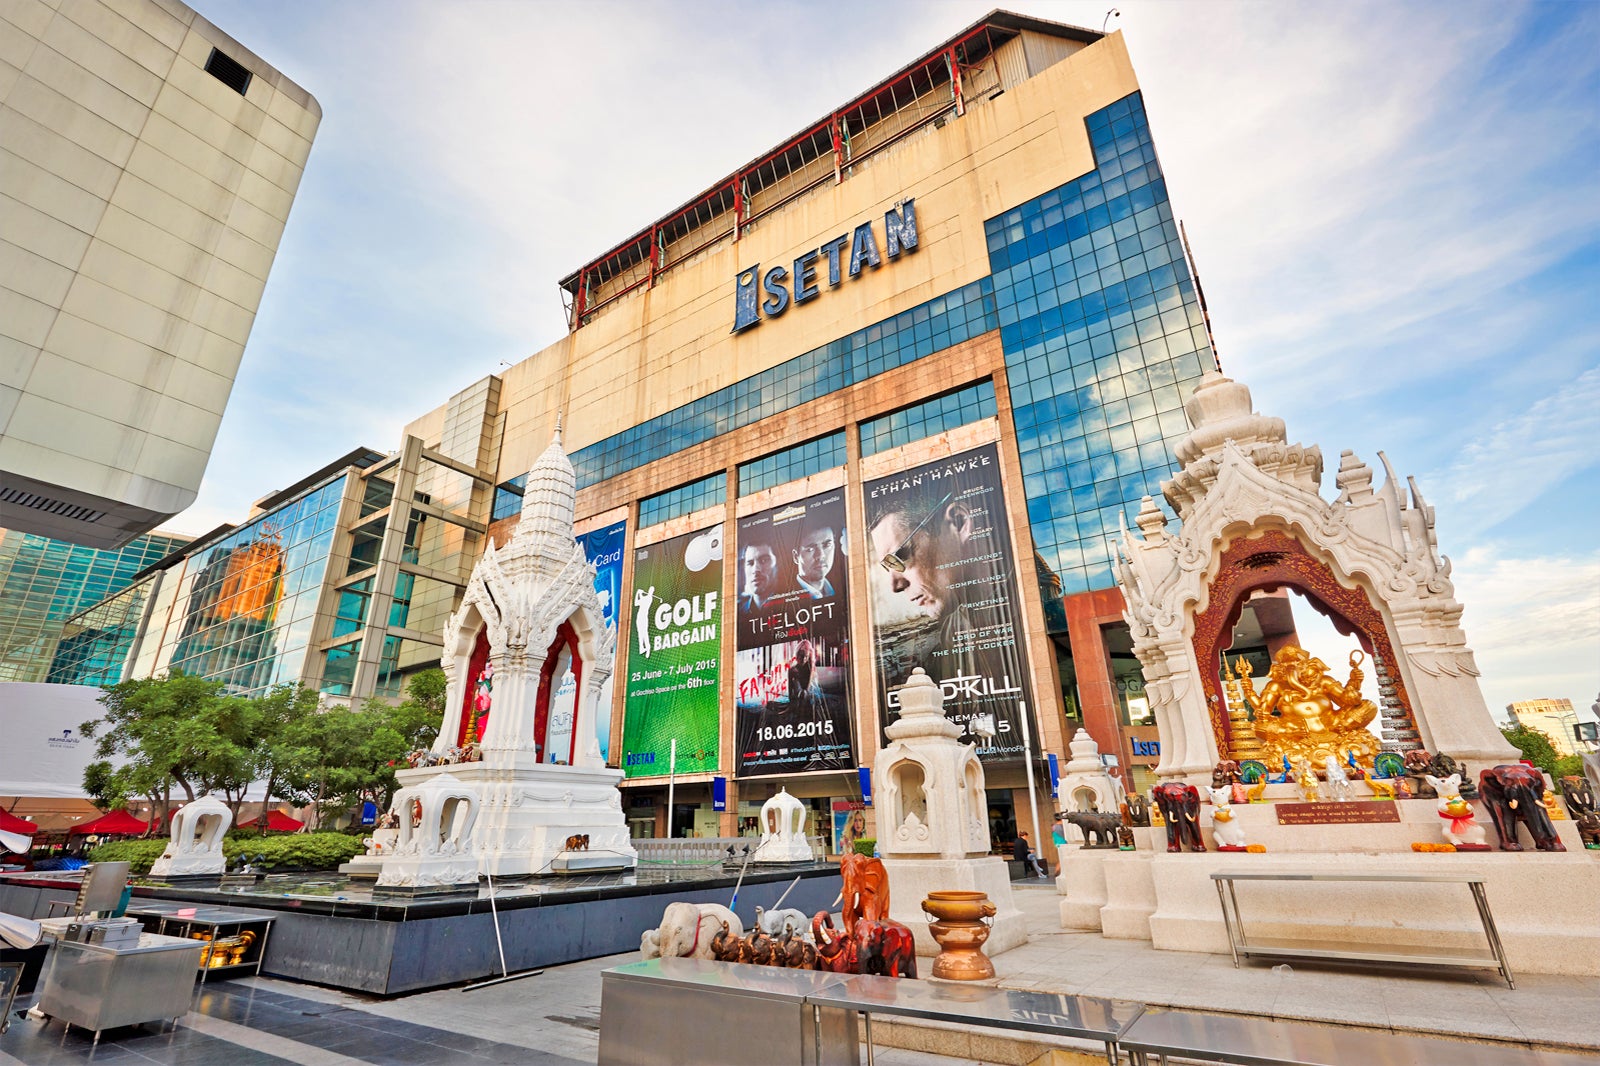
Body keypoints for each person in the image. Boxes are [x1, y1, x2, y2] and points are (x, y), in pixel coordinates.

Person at [792, 521, 837, 599]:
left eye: (827, 545)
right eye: (810, 549)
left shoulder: (842, 589)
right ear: (796, 556)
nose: (820, 555)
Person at [739, 542, 779, 612]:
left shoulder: (793, 602)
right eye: (750, 563)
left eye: (764, 561)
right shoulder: (739, 612)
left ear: (778, 564)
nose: (756, 570)